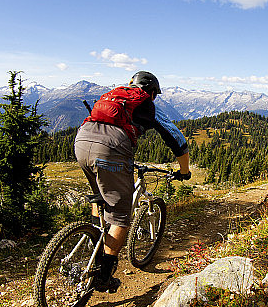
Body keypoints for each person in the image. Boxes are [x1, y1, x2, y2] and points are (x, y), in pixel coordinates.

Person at [74, 71, 190, 291]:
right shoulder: (147, 104)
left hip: (81, 142)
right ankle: (104, 275)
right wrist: (184, 171)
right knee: (120, 216)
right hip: (110, 150)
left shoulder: (113, 96)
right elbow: (176, 138)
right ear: (152, 92)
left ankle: (95, 241)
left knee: (100, 197)